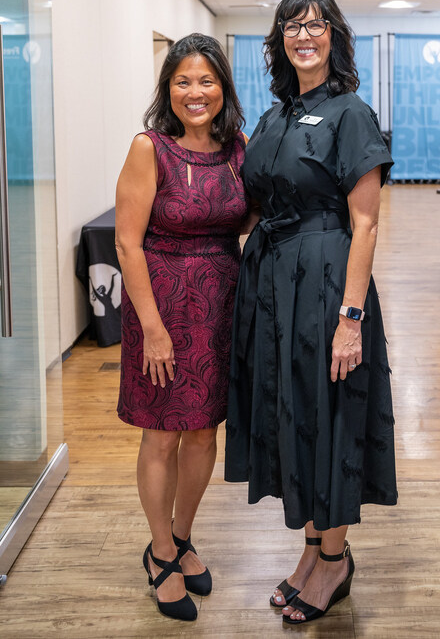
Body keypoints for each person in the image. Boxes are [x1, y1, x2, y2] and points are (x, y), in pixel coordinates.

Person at [225, 0, 397, 624]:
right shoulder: (274, 118)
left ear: (334, 37)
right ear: (278, 43)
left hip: (326, 283)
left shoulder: (351, 112)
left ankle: (335, 560)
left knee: (329, 413)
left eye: (316, 25)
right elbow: (255, 205)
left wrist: (350, 319)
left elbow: (367, 224)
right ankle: (311, 550)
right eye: (293, 26)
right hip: (275, 283)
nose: (305, 35)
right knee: (292, 412)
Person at [116, 34, 248, 622]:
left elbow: (250, 218)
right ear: (168, 89)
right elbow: (126, 241)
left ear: (223, 86)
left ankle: (184, 535)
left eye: (206, 81)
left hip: (220, 304)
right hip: (161, 305)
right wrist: (152, 326)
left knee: (202, 432)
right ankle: (159, 552)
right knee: (162, 433)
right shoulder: (150, 148)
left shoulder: (237, 148)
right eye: (182, 82)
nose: (195, 93)